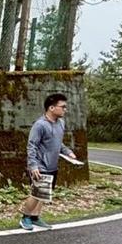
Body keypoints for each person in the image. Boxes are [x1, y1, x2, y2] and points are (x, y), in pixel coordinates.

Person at [20, 92, 77, 231]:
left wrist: (68, 152)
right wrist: (33, 166)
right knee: (36, 193)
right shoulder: (40, 125)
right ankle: (25, 217)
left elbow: (58, 143)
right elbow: (31, 146)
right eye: (62, 106)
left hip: (53, 165)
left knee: (44, 194)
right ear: (51, 108)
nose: (65, 109)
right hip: (40, 166)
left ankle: (35, 217)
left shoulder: (61, 123)